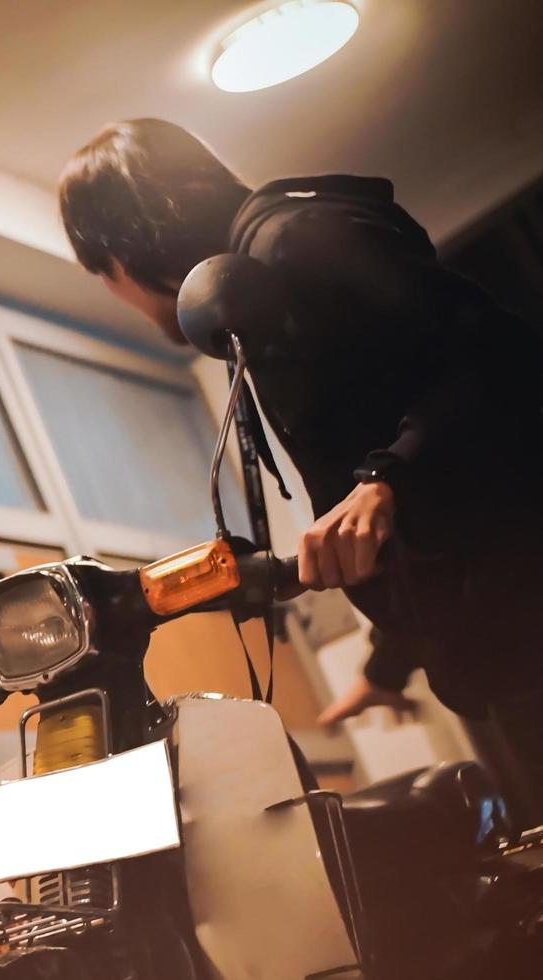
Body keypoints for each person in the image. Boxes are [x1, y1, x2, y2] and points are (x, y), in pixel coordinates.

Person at [56, 118, 543, 820]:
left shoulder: (298, 243)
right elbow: (440, 509)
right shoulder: (254, 297)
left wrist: (384, 481)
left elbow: (501, 355)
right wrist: (387, 663)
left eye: (104, 273)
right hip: (501, 651)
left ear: (126, 248)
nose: (118, 294)